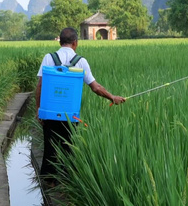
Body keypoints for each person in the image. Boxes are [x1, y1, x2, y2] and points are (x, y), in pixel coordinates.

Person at [35, 27, 125, 187]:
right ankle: (68, 184)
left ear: (60, 41)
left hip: (49, 113)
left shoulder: (49, 58)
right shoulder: (80, 61)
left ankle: (49, 183)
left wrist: (38, 110)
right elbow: (96, 87)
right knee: (68, 146)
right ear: (75, 43)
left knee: (50, 146)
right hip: (70, 115)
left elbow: (40, 85)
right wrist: (113, 97)